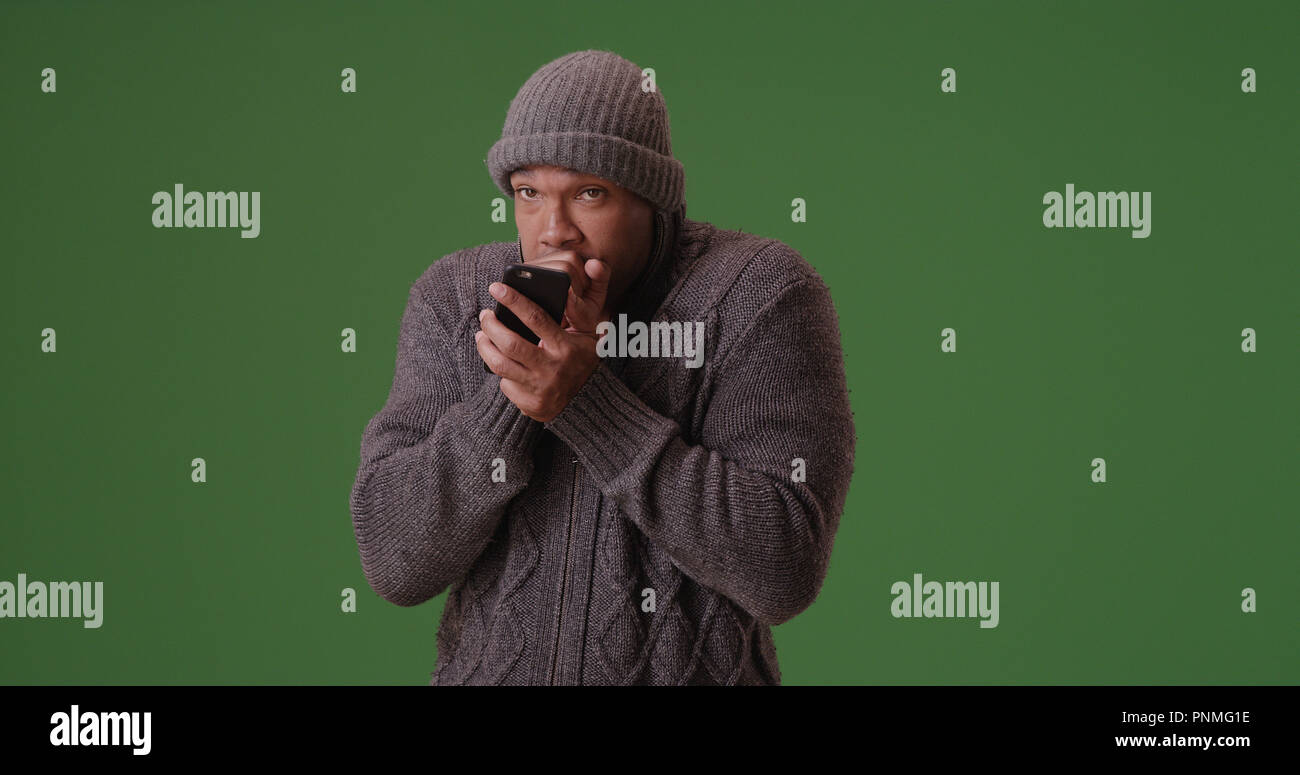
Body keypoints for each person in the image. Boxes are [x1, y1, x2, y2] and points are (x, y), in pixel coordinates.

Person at [349, 49, 856, 685]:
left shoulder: (757, 293)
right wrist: (515, 391)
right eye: (528, 193)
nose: (553, 230)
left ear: (653, 200)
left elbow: (783, 568)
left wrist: (585, 401)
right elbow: (395, 562)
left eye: (590, 193)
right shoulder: (455, 297)